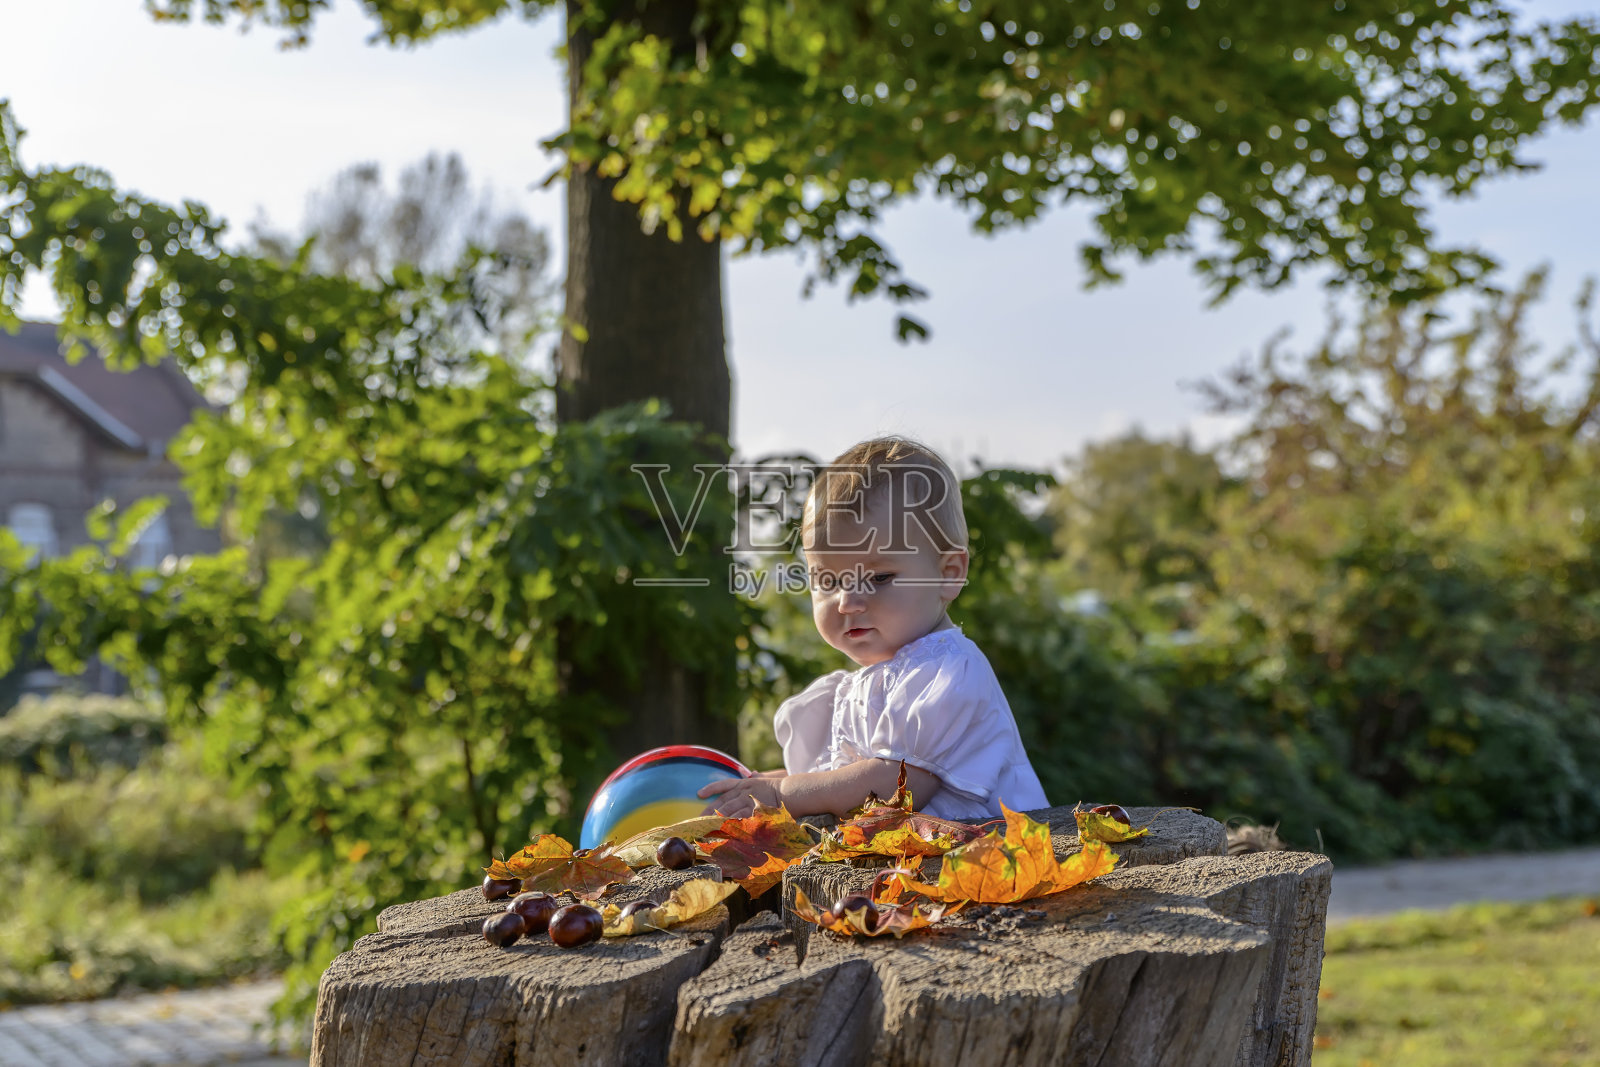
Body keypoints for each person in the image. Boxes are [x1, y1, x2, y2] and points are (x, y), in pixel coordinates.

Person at [698, 436, 1049, 821]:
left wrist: (783, 793)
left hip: (990, 862)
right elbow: (839, 781)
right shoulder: (870, 685)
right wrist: (768, 784)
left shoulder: (948, 672)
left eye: (879, 577)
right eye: (828, 582)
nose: (847, 602)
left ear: (949, 574)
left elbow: (895, 785)